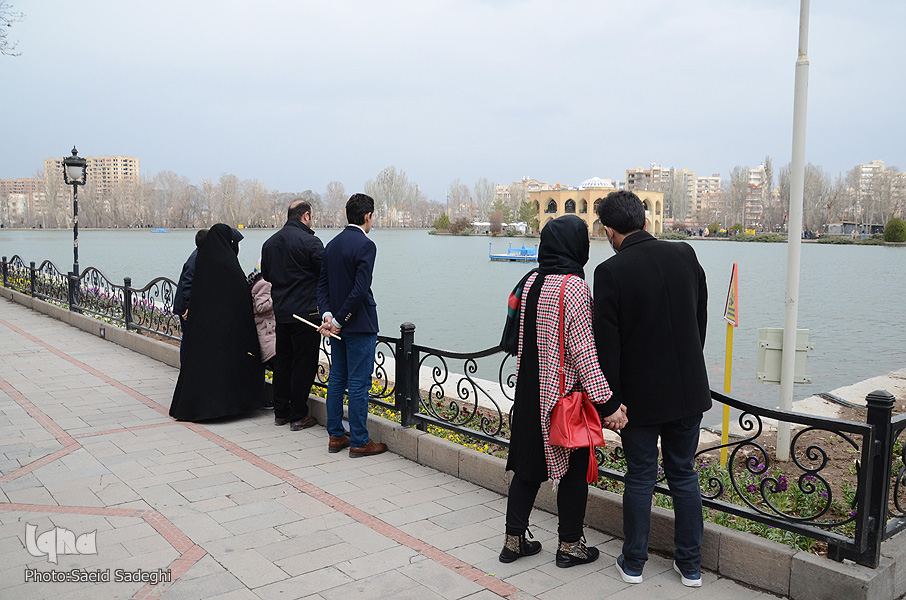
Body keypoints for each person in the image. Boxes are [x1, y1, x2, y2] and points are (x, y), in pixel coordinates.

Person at [592, 190, 711, 588]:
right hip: (687, 392)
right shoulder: (686, 254)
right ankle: (691, 567)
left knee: (640, 477)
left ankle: (634, 564)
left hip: (638, 402)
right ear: (645, 221)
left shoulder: (610, 272)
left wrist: (611, 402)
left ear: (610, 231)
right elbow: (699, 320)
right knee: (684, 474)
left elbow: (607, 345)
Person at [499, 215, 627, 568]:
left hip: (528, 393)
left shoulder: (530, 281)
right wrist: (608, 404)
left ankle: (513, 542)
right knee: (573, 472)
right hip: (564, 400)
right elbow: (584, 354)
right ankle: (570, 546)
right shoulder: (573, 287)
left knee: (527, 470)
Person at [169, 224, 264, 422]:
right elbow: (240, 297)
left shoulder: (203, 263)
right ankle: (228, 407)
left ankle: (199, 407)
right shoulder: (228, 265)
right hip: (228, 332)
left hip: (204, 331)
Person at [317, 193, 387, 458]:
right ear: (368, 216)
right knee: (358, 383)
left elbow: (322, 285)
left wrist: (328, 316)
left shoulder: (332, 244)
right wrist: (336, 320)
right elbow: (360, 290)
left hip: (336, 325)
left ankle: (336, 436)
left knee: (337, 379)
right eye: (372, 217)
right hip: (359, 325)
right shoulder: (366, 245)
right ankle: (359, 441)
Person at [260, 201, 324, 431]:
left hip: (282, 312)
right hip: (307, 313)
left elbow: (266, 275)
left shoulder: (270, 244)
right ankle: (298, 415)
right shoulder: (311, 242)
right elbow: (325, 272)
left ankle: (281, 412)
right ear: (305, 215)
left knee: (283, 362)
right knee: (304, 364)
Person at [173, 228, 208, 362]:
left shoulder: (199, 255)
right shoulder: (196, 258)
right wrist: (189, 306)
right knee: (188, 338)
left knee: (188, 337)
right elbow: (187, 282)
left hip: (185, 305)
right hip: (185, 307)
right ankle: (185, 365)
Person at [248, 267, 276, 409]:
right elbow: (261, 307)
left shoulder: (258, 282)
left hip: (264, 331)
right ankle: (278, 401)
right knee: (280, 366)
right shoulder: (265, 283)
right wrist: (278, 297)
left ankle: (267, 400)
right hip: (267, 333)